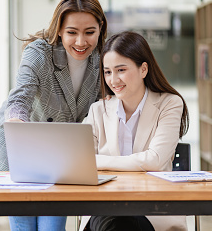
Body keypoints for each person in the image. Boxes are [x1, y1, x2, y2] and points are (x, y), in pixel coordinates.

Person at [0, 0, 108, 231]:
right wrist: (19, 129)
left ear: (100, 28)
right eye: (72, 32)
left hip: (57, 155)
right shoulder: (39, 52)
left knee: (52, 226)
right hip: (17, 147)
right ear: (59, 29)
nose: (81, 42)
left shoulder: (102, 58)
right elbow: (19, 99)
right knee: (24, 226)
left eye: (89, 32)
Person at [81, 31, 189, 231]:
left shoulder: (169, 104)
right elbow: (78, 159)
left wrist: (97, 161)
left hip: (151, 210)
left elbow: (155, 160)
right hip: (104, 206)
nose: (113, 80)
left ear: (143, 69)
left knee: (120, 222)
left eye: (121, 69)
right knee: (114, 218)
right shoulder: (99, 110)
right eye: (107, 72)